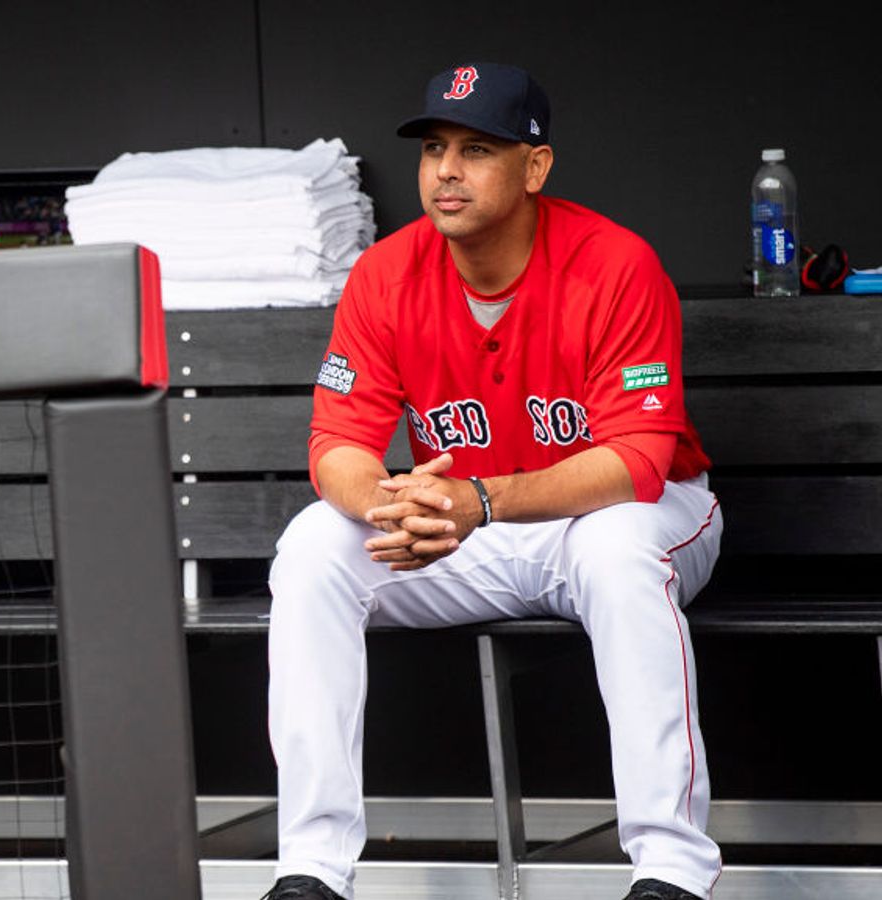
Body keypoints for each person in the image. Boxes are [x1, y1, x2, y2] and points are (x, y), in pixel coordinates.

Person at [262, 62, 722, 900]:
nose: (445, 170)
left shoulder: (615, 263)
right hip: (466, 530)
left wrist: (479, 501)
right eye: (435, 147)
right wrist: (391, 503)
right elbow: (337, 442)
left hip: (625, 517)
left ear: (534, 167)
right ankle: (311, 869)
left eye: (477, 149)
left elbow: (638, 461)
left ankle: (672, 869)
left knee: (618, 550)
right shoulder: (385, 275)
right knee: (313, 547)